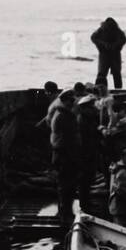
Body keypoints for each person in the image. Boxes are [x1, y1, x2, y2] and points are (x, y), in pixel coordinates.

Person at [50, 90, 84, 226]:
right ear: (64, 101)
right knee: (65, 186)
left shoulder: (64, 114)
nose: (73, 103)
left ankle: (66, 212)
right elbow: (68, 140)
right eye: (70, 100)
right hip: (64, 155)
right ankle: (64, 215)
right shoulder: (63, 117)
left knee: (68, 185)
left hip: (65, 155)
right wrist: (76, 158)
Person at [74, 94, 104, 214]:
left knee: (88, 179)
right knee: (84, 180)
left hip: (90, 153)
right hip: (84, 154)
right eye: (91, 106)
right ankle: (84, 205)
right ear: (85, 108)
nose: (94, 109)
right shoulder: (82, 120)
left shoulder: (88, 118)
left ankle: (86, 202)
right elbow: (84, 139)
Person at [99, 97, 126, 165]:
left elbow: (109, 133)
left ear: (123, 110)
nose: (116, 113)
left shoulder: (125, 122)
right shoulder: (122, 120)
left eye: (118, 111)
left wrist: (102, 129)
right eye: (115, 111)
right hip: (125, 149)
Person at [91, 17, 126, 89]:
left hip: (114, 54)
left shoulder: (116, 30)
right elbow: (93, 37)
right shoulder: (102, 30)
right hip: (106, 55)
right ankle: (100, 89)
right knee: (104, 74)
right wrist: (103, 44)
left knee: (113, 74)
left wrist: (114, 46)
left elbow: (123, 39)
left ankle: (116, 90)